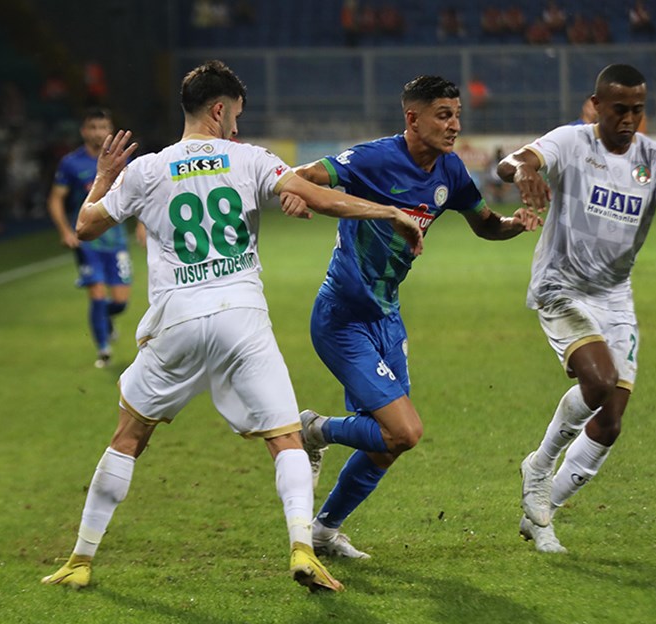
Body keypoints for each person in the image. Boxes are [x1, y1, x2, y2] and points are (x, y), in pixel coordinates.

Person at [40, 60, 424, 593]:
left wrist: (104, 176)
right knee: (286, 440)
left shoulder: (147, 169)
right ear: (219, 110)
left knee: (129, 437)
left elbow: (85, 225)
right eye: (236, 115)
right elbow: (319, 198)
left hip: (176, 321)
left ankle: (80, 559)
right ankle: (302, 549)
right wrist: (388, 213)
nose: (238, 127)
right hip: (242, 319)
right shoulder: (249, 159)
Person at [497, 64, 656, 553]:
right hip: (560, 286)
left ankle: (541, 516)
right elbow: (512, 162)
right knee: (599, 381)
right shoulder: (571, 142)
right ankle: (539, 467)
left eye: (637, 110)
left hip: (614, 297)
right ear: (596, 105)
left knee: (610, 422)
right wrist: (525, 170)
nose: (629, 119)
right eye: (619, 109)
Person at [293, 75, 541, 559]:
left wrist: (515, 224)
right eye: (443, 115)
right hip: (342, 318)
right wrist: (297, 191)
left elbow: (486, 224)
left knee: (389, 444)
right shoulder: (373, 159)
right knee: (404, 431)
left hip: (387, 318)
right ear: (412, 118)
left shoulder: (451, 170)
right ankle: (313, 429)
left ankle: (324, 530)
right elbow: (303, 176)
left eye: (457, 115)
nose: (454, 125)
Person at [47, 108, 144, 368]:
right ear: (83, 131)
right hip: (87, 240)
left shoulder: (123, 159)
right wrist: (65, 231)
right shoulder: (71, 163)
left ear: (110, 130)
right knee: (97, 293)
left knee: (120, 302)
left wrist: (142, 224)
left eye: (103, 127)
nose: (98, 133)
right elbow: (55, 199)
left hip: (116, 240)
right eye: (93, 127)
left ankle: (106, 318)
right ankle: (103, 350)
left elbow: (139, 194)